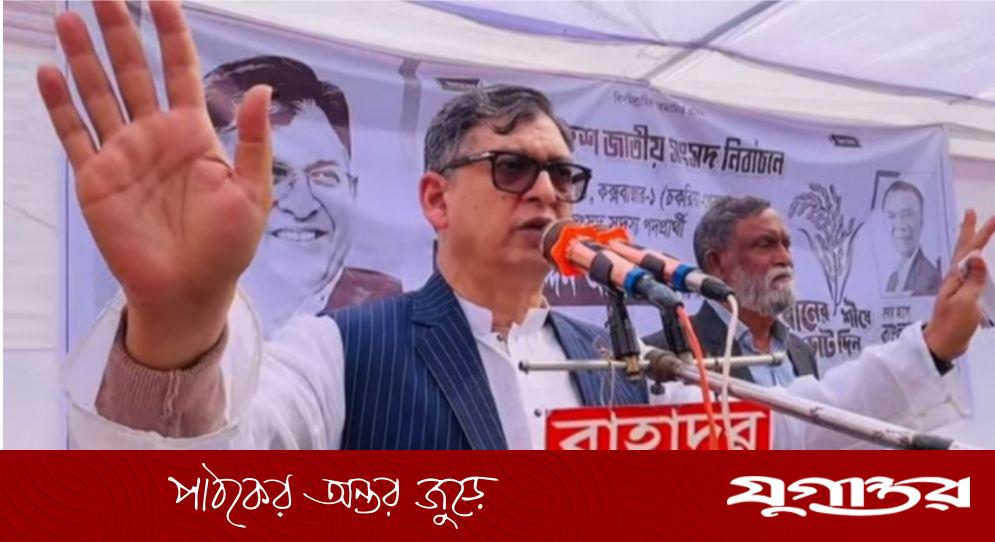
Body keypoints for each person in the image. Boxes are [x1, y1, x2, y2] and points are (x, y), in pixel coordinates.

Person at [45, 1, 995, 450]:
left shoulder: (619, 360)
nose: (545, 192)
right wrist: (174, 329)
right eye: (511, 168)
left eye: (562, 174)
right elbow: (211, 478)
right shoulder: (342, 351)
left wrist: (934, 348)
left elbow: (779, 437)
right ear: (435, 200)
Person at [204, 55, 401, 337]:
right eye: (272, 175)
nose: (303, 205)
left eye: (324, 176)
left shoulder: (391, 319)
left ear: (352, 190)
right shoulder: (167, 310)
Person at [644, 196, 818, 387]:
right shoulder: (662, 357)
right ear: (716, 263)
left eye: (786, 245)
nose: (785, 259)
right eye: (765, 244)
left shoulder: (801, 352)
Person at [882, 180, 941, 296]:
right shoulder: (893, 279)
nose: (899, 224)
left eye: (908, 215)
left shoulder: (929, 278)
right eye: (891, 216)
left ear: (921, 220)